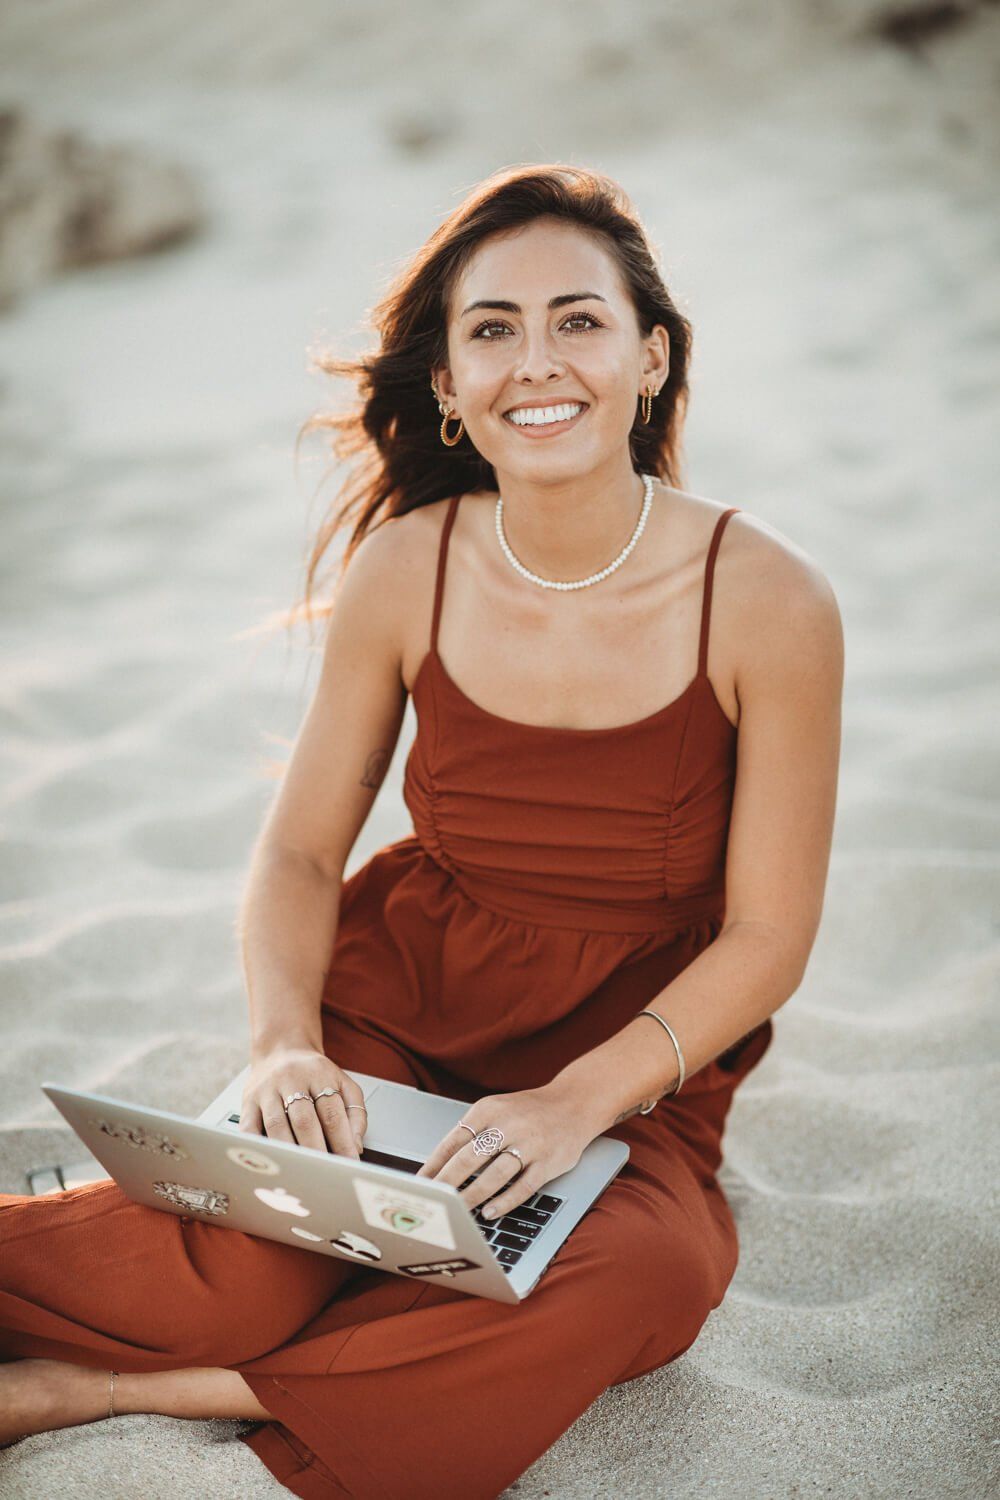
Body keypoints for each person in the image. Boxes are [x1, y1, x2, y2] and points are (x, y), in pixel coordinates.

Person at [0, 164, 843, 1499]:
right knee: (235, 1274)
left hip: (630, 1076)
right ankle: (196, 1303)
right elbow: (295, 854)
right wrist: (285, 1046)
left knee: (649, 1277)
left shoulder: (770, 598)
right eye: (491, 330)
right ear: (447, 387)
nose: (536, 362)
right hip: (395, 1014)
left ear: (651, 355)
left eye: (579, 320)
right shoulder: (410, 567)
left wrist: (576, 1103)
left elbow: (770, 936)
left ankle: (105, 1394)